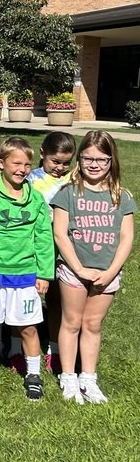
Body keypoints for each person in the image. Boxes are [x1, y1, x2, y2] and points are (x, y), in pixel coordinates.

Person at [0, 137, 54, 401]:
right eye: (16, 163)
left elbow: (44, 236)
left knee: (28, 328)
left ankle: (33, 375)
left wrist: (44, 273)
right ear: (1, 163)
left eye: (28, 164)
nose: (22, 169)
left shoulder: (35, 199)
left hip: (26, 275)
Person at [51, 131, 134, 404]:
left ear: (112, 161)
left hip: (106, 272)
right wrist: (79, 268)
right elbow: (60, 235)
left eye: (102, 159)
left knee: (93, 325)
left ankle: (88, 377)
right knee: (72, 322)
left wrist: (110, 272)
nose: (94, 164)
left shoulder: (121, 197)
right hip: (74, 271)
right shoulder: (68, 194)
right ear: (80, 159)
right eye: (88, 158)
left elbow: (126, 238)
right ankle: (68, 377)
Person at [26, 131, 75, 373]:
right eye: (56, 161)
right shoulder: (30, 180)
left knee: (57, 300)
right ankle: (22, 345)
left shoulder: (74, 180)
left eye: (67, 163)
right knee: (30, 298)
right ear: (43, 154)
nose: (61, 167)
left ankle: (54, 347)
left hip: (64, 249)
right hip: (34, 247)